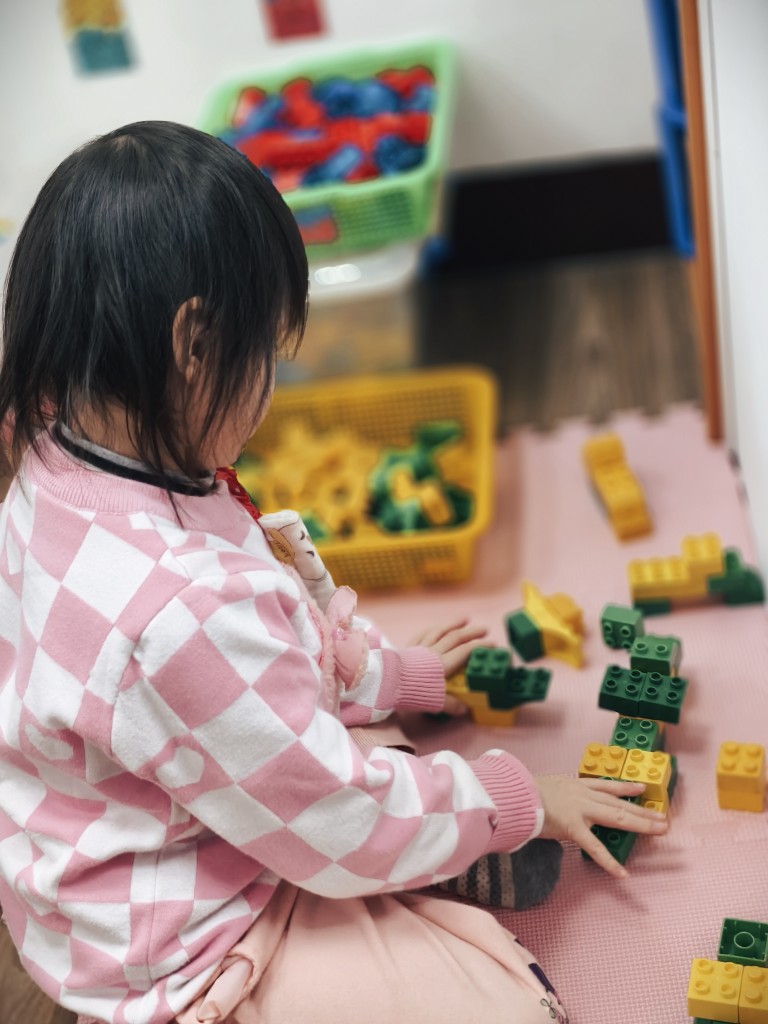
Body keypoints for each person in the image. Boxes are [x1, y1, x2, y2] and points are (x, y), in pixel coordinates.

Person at [0, 121, 667, 1024]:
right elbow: (334, 815)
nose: (272, 386)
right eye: (267, 354)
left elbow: (270, 657)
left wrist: (393, 676)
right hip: (178, 939)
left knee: (372, 749)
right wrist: (520, 798)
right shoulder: (179, 606)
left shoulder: (57, 456)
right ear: (194, 342)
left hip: (134, 830)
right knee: (510, 1008)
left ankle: (427, 837)